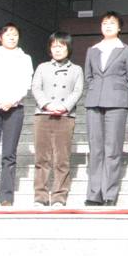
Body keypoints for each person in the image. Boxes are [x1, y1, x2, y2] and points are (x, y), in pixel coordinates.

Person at [0, 22, 33, 206]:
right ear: (0, 37)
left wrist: (11, 101)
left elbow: (26, 82)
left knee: (9, 153)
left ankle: (7, 197)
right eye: (8, 34)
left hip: (15, 108)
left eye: (15, 34)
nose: (12, 37)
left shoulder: (25, 58)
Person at [84, 11, 128, 206]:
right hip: (94, 102)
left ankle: (109, 194)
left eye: (112, 23)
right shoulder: (92, 50)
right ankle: (94, 193)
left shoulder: (127, 50)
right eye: (105, 23)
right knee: (95, 148)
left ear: (119, 28)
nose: (108, 26)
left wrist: (124, 101)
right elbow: (89, 76)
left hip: (117, 103)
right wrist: (95, 91)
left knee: (112, 149)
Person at [31, 31, 83, 207]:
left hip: (65, 116)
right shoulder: (42, 67)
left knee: (62, 159)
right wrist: (47, 105)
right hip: (43, 115)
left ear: (68, 48)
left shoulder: (76, 69)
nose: (58, 49)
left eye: (61, 46)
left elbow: (77, 91)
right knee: (42, 159)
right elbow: (36, 88)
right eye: (54, 46)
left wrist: (64, 106)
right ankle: (40, 196)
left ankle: (59, 197)